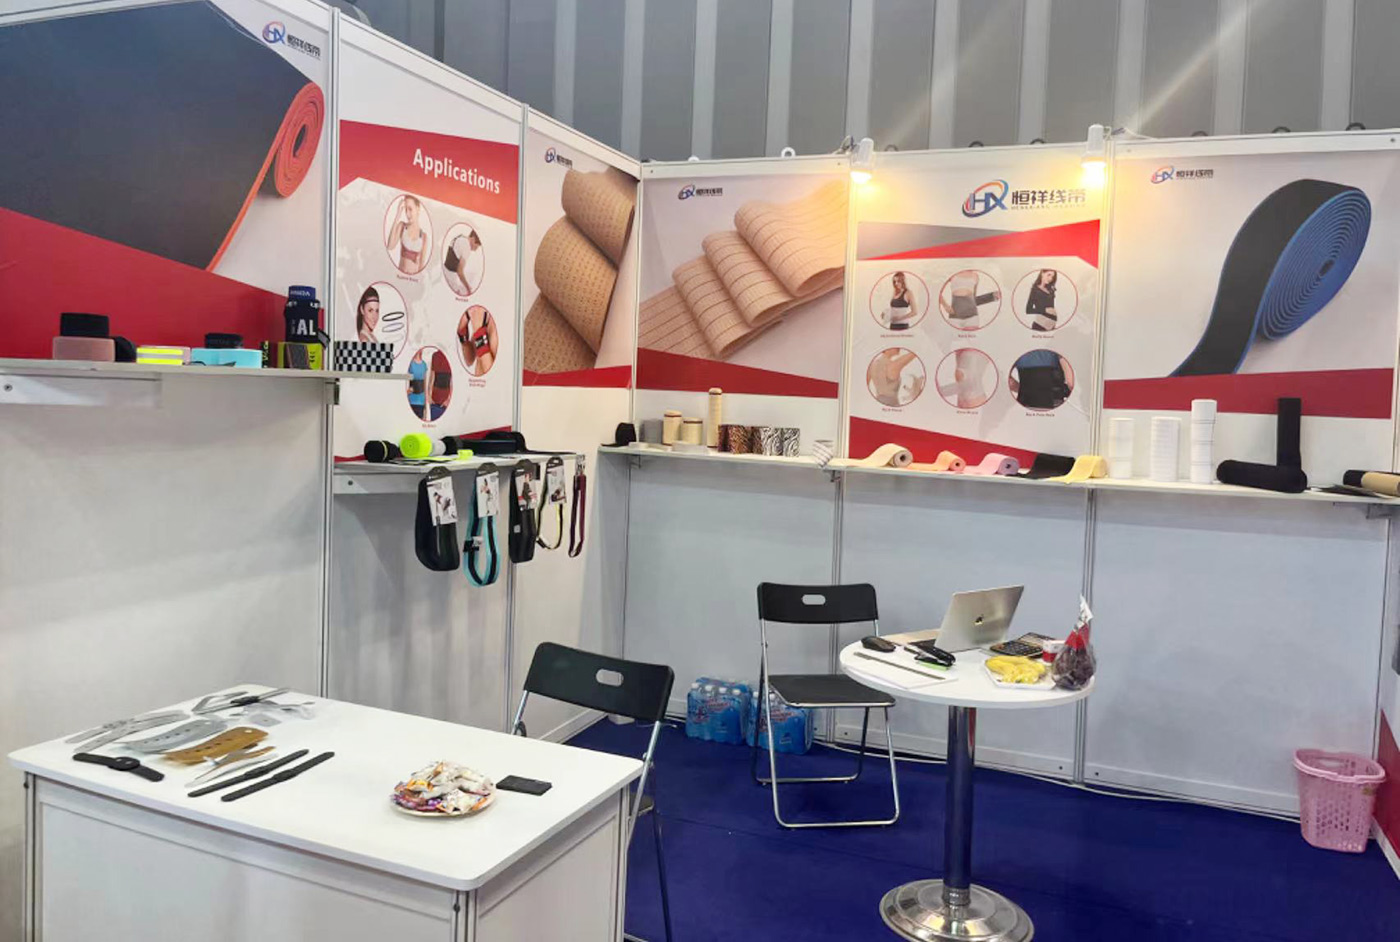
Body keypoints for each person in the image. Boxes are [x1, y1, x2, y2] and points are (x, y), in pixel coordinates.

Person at [388, 195, 427, 275]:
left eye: (410, 209)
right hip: (400, 275)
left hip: (413, 279)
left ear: (418, 209)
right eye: (405, 209)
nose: (407, 214)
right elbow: (390, 246)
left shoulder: (424, 237)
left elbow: (421, 265)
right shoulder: (402, 226)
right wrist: (397, 215)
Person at [457, 306, 496, 376]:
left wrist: (479, 333)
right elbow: (469, 361)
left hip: (487, 382)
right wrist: (463, 336)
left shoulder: (496, 327)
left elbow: (492, 375)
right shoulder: (482, 314)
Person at [445, 229, 484, 296]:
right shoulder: (467, 247)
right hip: (450, 280)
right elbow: (460, 271)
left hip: (445, 273)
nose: (476, 249)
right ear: (473, 239)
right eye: (477, 246)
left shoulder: (460, 237)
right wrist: (468, 288)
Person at [407, 349, 430, 419]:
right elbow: (405, 381)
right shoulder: (410, 363)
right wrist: (407, 391)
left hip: (421, 401)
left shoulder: (424, 364)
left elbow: (425, 384)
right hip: (411, 400)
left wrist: (426, 404)